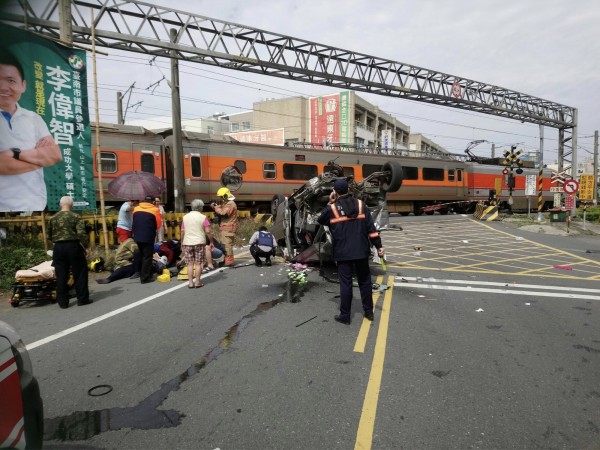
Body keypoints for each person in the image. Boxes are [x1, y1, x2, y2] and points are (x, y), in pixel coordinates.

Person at [0, 49, 62, 212]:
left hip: (35, 205)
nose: (4, 87)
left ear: (23, 85)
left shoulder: (34, 118)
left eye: (11, 80)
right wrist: (39, 160)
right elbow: (2, 165)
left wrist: (14, 154)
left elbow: (55, 155)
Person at [317, 179, 384, 325]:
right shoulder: (361, 205)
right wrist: (378, 246)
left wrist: (330, 202)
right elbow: (371, 230)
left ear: (334, 192)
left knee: (345, 284)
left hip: (343, 253)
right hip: (361, 251)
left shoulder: (332, 209)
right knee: (365, 282)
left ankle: (345, 316)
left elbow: (320, 220)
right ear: (349, 189)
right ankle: (368, 312)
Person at [47, 196, 91, 309]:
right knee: (80, 272)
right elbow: (81, 233)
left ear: (60, 205)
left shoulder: (53, 218)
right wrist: (86, 247)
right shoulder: (76, 216)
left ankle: (63, 302)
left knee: (61, 274)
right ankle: (82, 299)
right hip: (73, 246)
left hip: (58, 247)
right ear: (71, 205)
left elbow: (49, 235)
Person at [181, 199, 214, 288]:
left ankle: (190, 283)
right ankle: (197, 282)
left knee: (190, 264)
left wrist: (182, 242)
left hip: (187, 242)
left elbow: (182, 231)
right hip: (199, 242)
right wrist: (211, 241)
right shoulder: (203, 217)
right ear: (200, 208)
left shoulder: (185, 217)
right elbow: (208, 231)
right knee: (198, 263)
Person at [132, 195, 162, 284]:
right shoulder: (155, 210)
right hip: (148, 236)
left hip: (137, 235)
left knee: (142, 254)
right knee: (147, 257)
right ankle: (145, 278)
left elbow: (135, 220)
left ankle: (142, 273)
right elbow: (158, 224)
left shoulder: (136, 209)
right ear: (153, 202)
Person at [210, 187, 238, 266]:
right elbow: (221, 210)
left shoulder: (230, 204)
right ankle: (226, 260)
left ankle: (229, 262)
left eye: (221, 196)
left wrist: (216, 208)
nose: (221, 198)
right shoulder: (227, 203)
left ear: (225, 196)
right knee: (224, 245)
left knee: (227, 246)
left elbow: (224, 214)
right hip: (225, 228)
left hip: (228, 228)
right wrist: (216, 206)